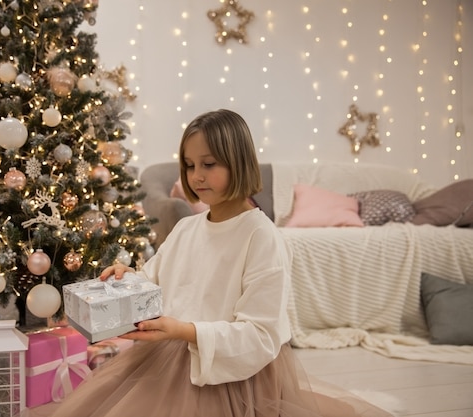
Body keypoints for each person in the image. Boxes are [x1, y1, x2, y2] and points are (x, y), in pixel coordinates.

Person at [44, 109, 394, 417]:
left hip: (232, 376)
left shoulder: (261, 236)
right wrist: (128, 278)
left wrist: (186, 331)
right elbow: (155, 282)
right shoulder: (186, 227)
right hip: (168, 357)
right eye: (190, 165)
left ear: (238, 162)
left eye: (209, 165)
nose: (196, 176)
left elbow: (261, 333)